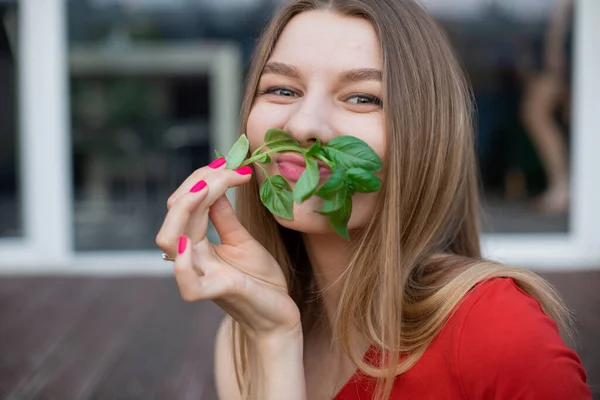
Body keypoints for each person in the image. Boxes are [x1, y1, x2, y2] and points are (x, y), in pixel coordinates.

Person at [156, 0, 591, 399]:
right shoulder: (243, 337)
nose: (305, 124)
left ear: (425, 136)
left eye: (363, 97)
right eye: (282, 89)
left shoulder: (499, 329)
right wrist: (275, 339)